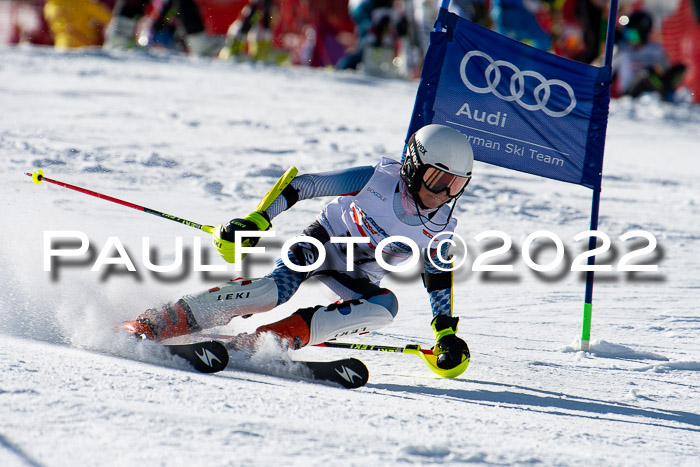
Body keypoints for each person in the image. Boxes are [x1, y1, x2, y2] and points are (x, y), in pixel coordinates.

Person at [122, 124, 473, 370]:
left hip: (353, 272)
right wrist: (260, 218)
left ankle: (268, 342)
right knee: (274, 292)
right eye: (437, 179)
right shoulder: (377, 179)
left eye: (455, 185)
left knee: (384, 307)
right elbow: (304, 185)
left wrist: (445, 333)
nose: (442, 194)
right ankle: (159, 322)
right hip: (320, 241)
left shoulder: (440, 227)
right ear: (413, 165)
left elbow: (439, 278)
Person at [613, 9, 686, 101]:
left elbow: (665, 70)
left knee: (679, 68)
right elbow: (609, 72)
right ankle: (665, 93)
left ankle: (667, 92)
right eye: (628, 34)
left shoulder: (656, 50)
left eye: (633, 35)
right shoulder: (622, 50)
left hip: (653, 87)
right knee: (645, 74)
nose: (630, 38)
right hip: (630, 93)